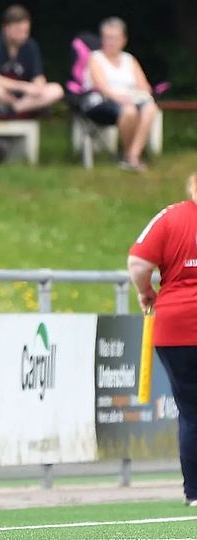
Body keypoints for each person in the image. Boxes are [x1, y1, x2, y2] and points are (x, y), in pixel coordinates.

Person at [128, 173, 197, 505]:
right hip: (181, 326)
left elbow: (138, 262)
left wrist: (145, 292)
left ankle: (195, 492)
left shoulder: (170, 217)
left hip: (176, 326)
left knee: (192, 411)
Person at [84, 17, 158, 172]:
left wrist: (137, 95)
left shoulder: (129, 59)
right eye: (107, 37)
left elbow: (145, 86)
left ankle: (133, 155)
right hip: (103, 102)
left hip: (131, 99)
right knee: (129, 111)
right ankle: (128, 155)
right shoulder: (95, 58)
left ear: (123, 40)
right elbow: (101, 86)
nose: (111, 42)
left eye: (115, 38)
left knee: (150, 108)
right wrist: (121, 98)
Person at [0, 5, 64, 118]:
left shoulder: (31, 45)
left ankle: (15, 108)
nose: (23, 35)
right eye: (19, 31)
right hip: (5, 94)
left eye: (26, 31)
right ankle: (15, 107)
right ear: (6, 28)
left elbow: (38, 75)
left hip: (26, 97)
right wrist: (24, 87)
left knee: (56, 90)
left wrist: (38, 85)